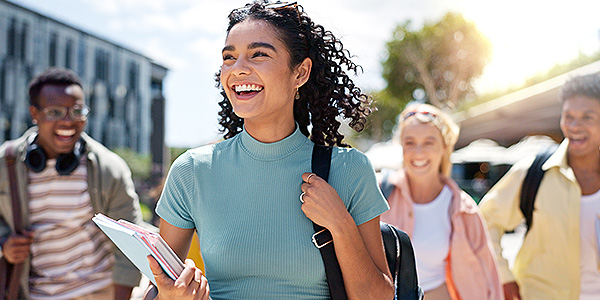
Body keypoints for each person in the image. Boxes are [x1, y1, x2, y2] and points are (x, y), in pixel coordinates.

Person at [144, 1, 394, 299]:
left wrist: (341, 225)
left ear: (300, 73)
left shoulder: (349, 169)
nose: (237, 69)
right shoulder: (192, 171)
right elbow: (156, 287)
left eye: (258, 54)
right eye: (229, 57)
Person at [0, 67, 145, 300]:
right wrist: (4, 244)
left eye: (77, 111)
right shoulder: (5, 164)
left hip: (97, 294)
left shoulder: (110, 169)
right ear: (34, 114)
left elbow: (129, 248)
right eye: (55, 112)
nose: (68, 121)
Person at [479, 73, 600, 300]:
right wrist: (503, 276)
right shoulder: (533, 172)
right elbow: (485, 220)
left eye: (587, 117)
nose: (574, 126)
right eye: (568, 117)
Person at [379, 103, 503, 300]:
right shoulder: (378, 195)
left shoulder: (464, 208)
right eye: (410, 142)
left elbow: (489, 276)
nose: (418, 152)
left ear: (444, 148)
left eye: (429, 142)